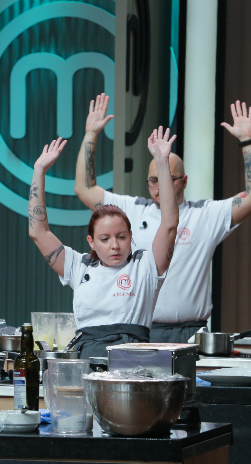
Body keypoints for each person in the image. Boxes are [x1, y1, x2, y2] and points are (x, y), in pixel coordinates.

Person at [75, 95, 251, 343]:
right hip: (140, 330)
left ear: (185, 181)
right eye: (154, 180)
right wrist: (91, 134)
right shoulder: (132, 209)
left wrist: (247, 140)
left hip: (192, 331)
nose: (160, 186)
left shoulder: (206, 214)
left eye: (169, 177)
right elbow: (84, 188)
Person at [29, 129, 178, 359]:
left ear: (130, 235)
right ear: (92, 242)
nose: (115, 246)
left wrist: (161, 161)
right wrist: (39, 171)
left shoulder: (146, 265)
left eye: (121, 237)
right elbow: (38, 232)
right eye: (105, 239)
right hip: (87, 362)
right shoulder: (79, 266)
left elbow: (169, 223)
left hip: (133, 362)